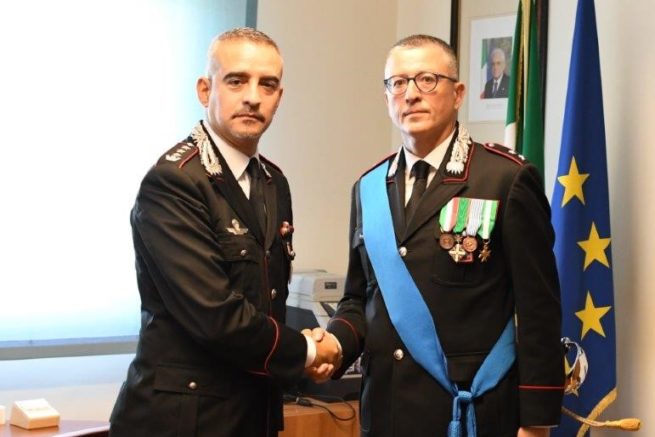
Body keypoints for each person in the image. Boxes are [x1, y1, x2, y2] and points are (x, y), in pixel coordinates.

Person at [308, 35, 564, 436]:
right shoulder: (368, 188)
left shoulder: (505, 179)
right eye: (398, 83)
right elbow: (359, 298)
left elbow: (538, 310)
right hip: (385, 412)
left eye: (427, 80)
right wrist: (336, 344)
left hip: (469, 412)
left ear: (458, 93)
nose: (411, 94)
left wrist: (536, 424)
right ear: (387, 97)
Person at [109, 28, 340, 437]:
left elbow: (267, 298)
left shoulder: (273, 182)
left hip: (253, 412)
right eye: (236, 81)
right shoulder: (175, 181)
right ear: (205, 89)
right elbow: (216, 316)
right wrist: (307, 351)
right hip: (183, 421)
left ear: (279, 97)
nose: (252, 97)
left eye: (267, 84)